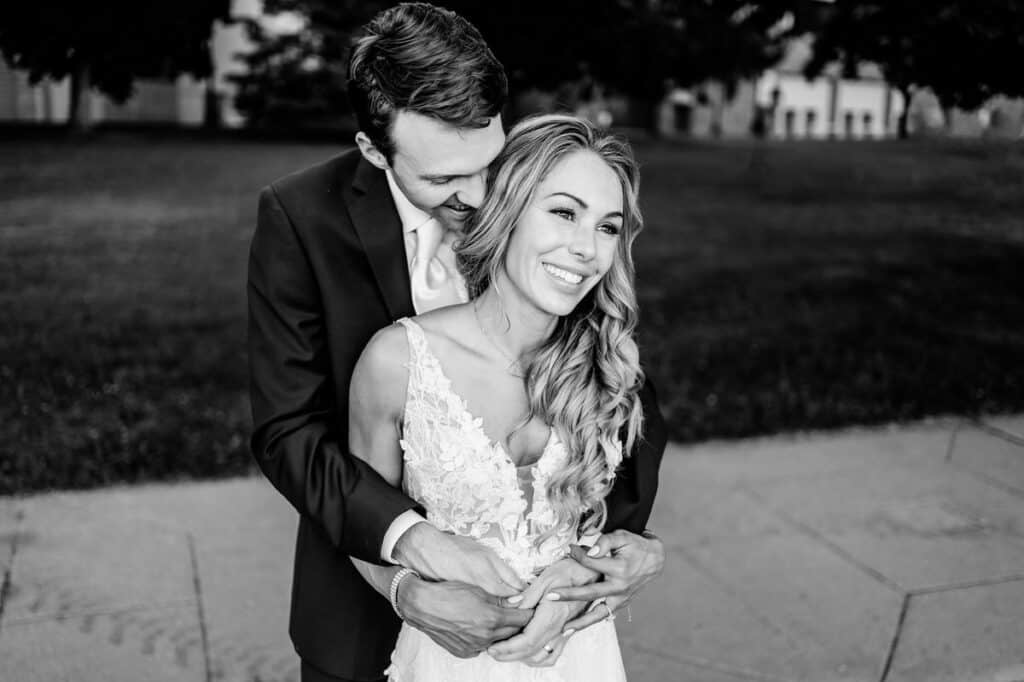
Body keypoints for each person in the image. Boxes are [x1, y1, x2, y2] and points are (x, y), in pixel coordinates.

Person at [247, 5, 667, 681]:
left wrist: (632, 545)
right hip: (363, 609)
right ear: (373, 151)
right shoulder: (304, 220)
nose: (478, 196)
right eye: (444, 179)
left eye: (488, 161)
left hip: (556, 631)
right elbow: (289, 430)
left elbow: (615, 401)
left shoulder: (546, 213)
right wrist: (409, 564)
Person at [348, 113, 650, 681]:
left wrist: (617, 568)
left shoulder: (607, 366)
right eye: (563, 213)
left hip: (579, 657)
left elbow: (622, 527)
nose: (586, 248)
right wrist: (403, 588)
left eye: (608, 228)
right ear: (508, 211)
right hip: (448, 664)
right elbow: (357, 521)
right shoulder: (398, 361)